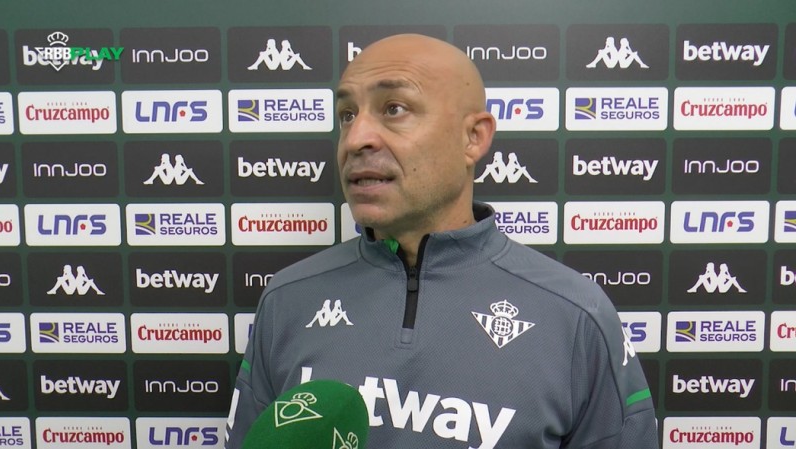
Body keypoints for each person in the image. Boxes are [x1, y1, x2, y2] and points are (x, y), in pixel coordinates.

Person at [225, 34, 659, 449]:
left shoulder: (578, 315)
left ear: (474, 137)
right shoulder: (287, 299)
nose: (356, 139)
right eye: (347, 115)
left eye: (394, 108)